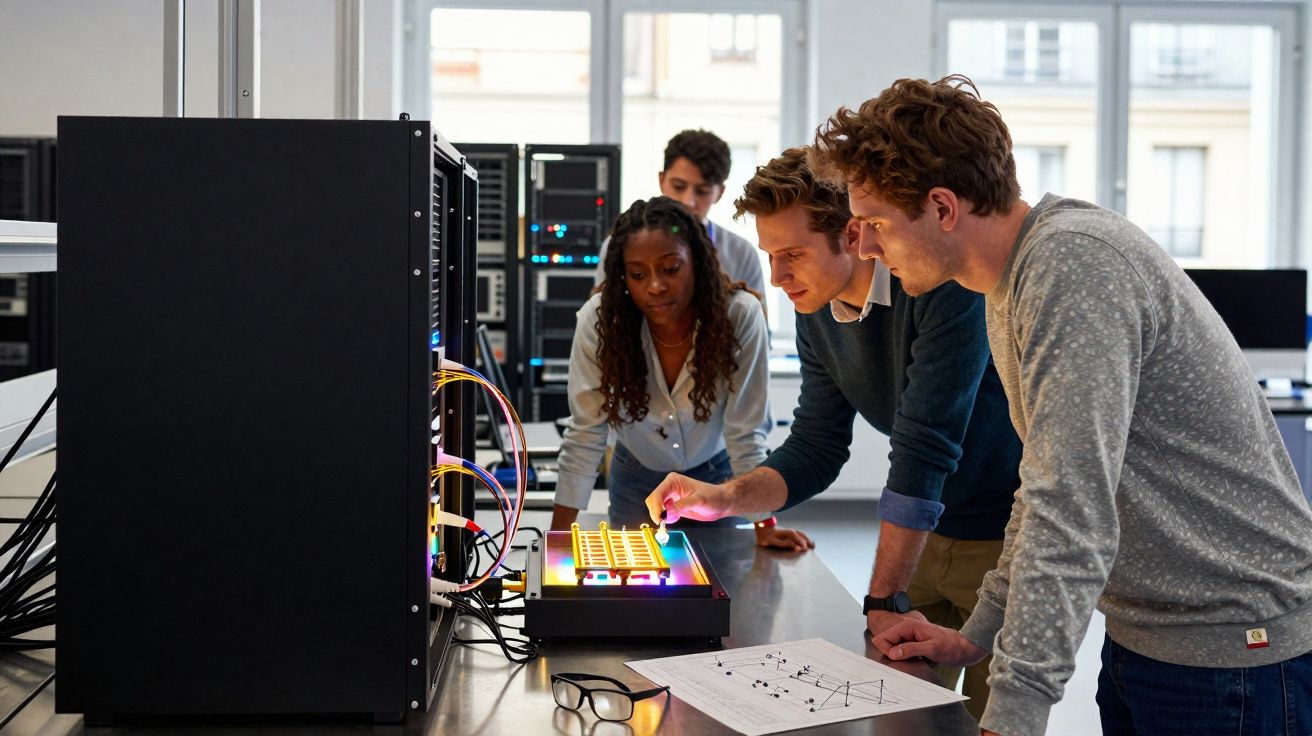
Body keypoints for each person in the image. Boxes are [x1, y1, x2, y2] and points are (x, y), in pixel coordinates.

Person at [803, 75, 1312, 736]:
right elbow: (1042, 492)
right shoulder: (1010, 282)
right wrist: (979, 633)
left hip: (1232, 653)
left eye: (874, 224)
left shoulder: (1072, 267)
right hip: (1149, 637)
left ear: (942, 207)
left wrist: (1011, 714)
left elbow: (1070, 513)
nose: (864, 247)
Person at [642, 146, 1023, 720]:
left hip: (1004, 541)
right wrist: (725, 499)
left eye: (792, 254)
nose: (777, 278)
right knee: (900, 716)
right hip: (924, 537)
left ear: (851, 234)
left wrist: (882, 598)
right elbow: (817, 445)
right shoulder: (814, 308)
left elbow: (925, 446)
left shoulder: (939, 287)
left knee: (997, 719)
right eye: (770, 256)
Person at [552, 196, 810, 550]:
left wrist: (764, 524)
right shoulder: (600, 321)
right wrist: (558, 539)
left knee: (720, 585)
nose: (654, 286)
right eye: (638, 274)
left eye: (670, 268)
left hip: (716, 478)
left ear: (697, 263)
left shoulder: (740, 317)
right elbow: (585, 434)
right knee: (633, 592)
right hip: (635, 477)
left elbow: (745, 432)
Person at [595, 129, 765, 295]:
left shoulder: (741, 253)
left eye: (702, 191)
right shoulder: (620, 245)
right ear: (661, 180)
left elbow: (756, 321)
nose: (687, 201)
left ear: (719, 193)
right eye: (678, 186)